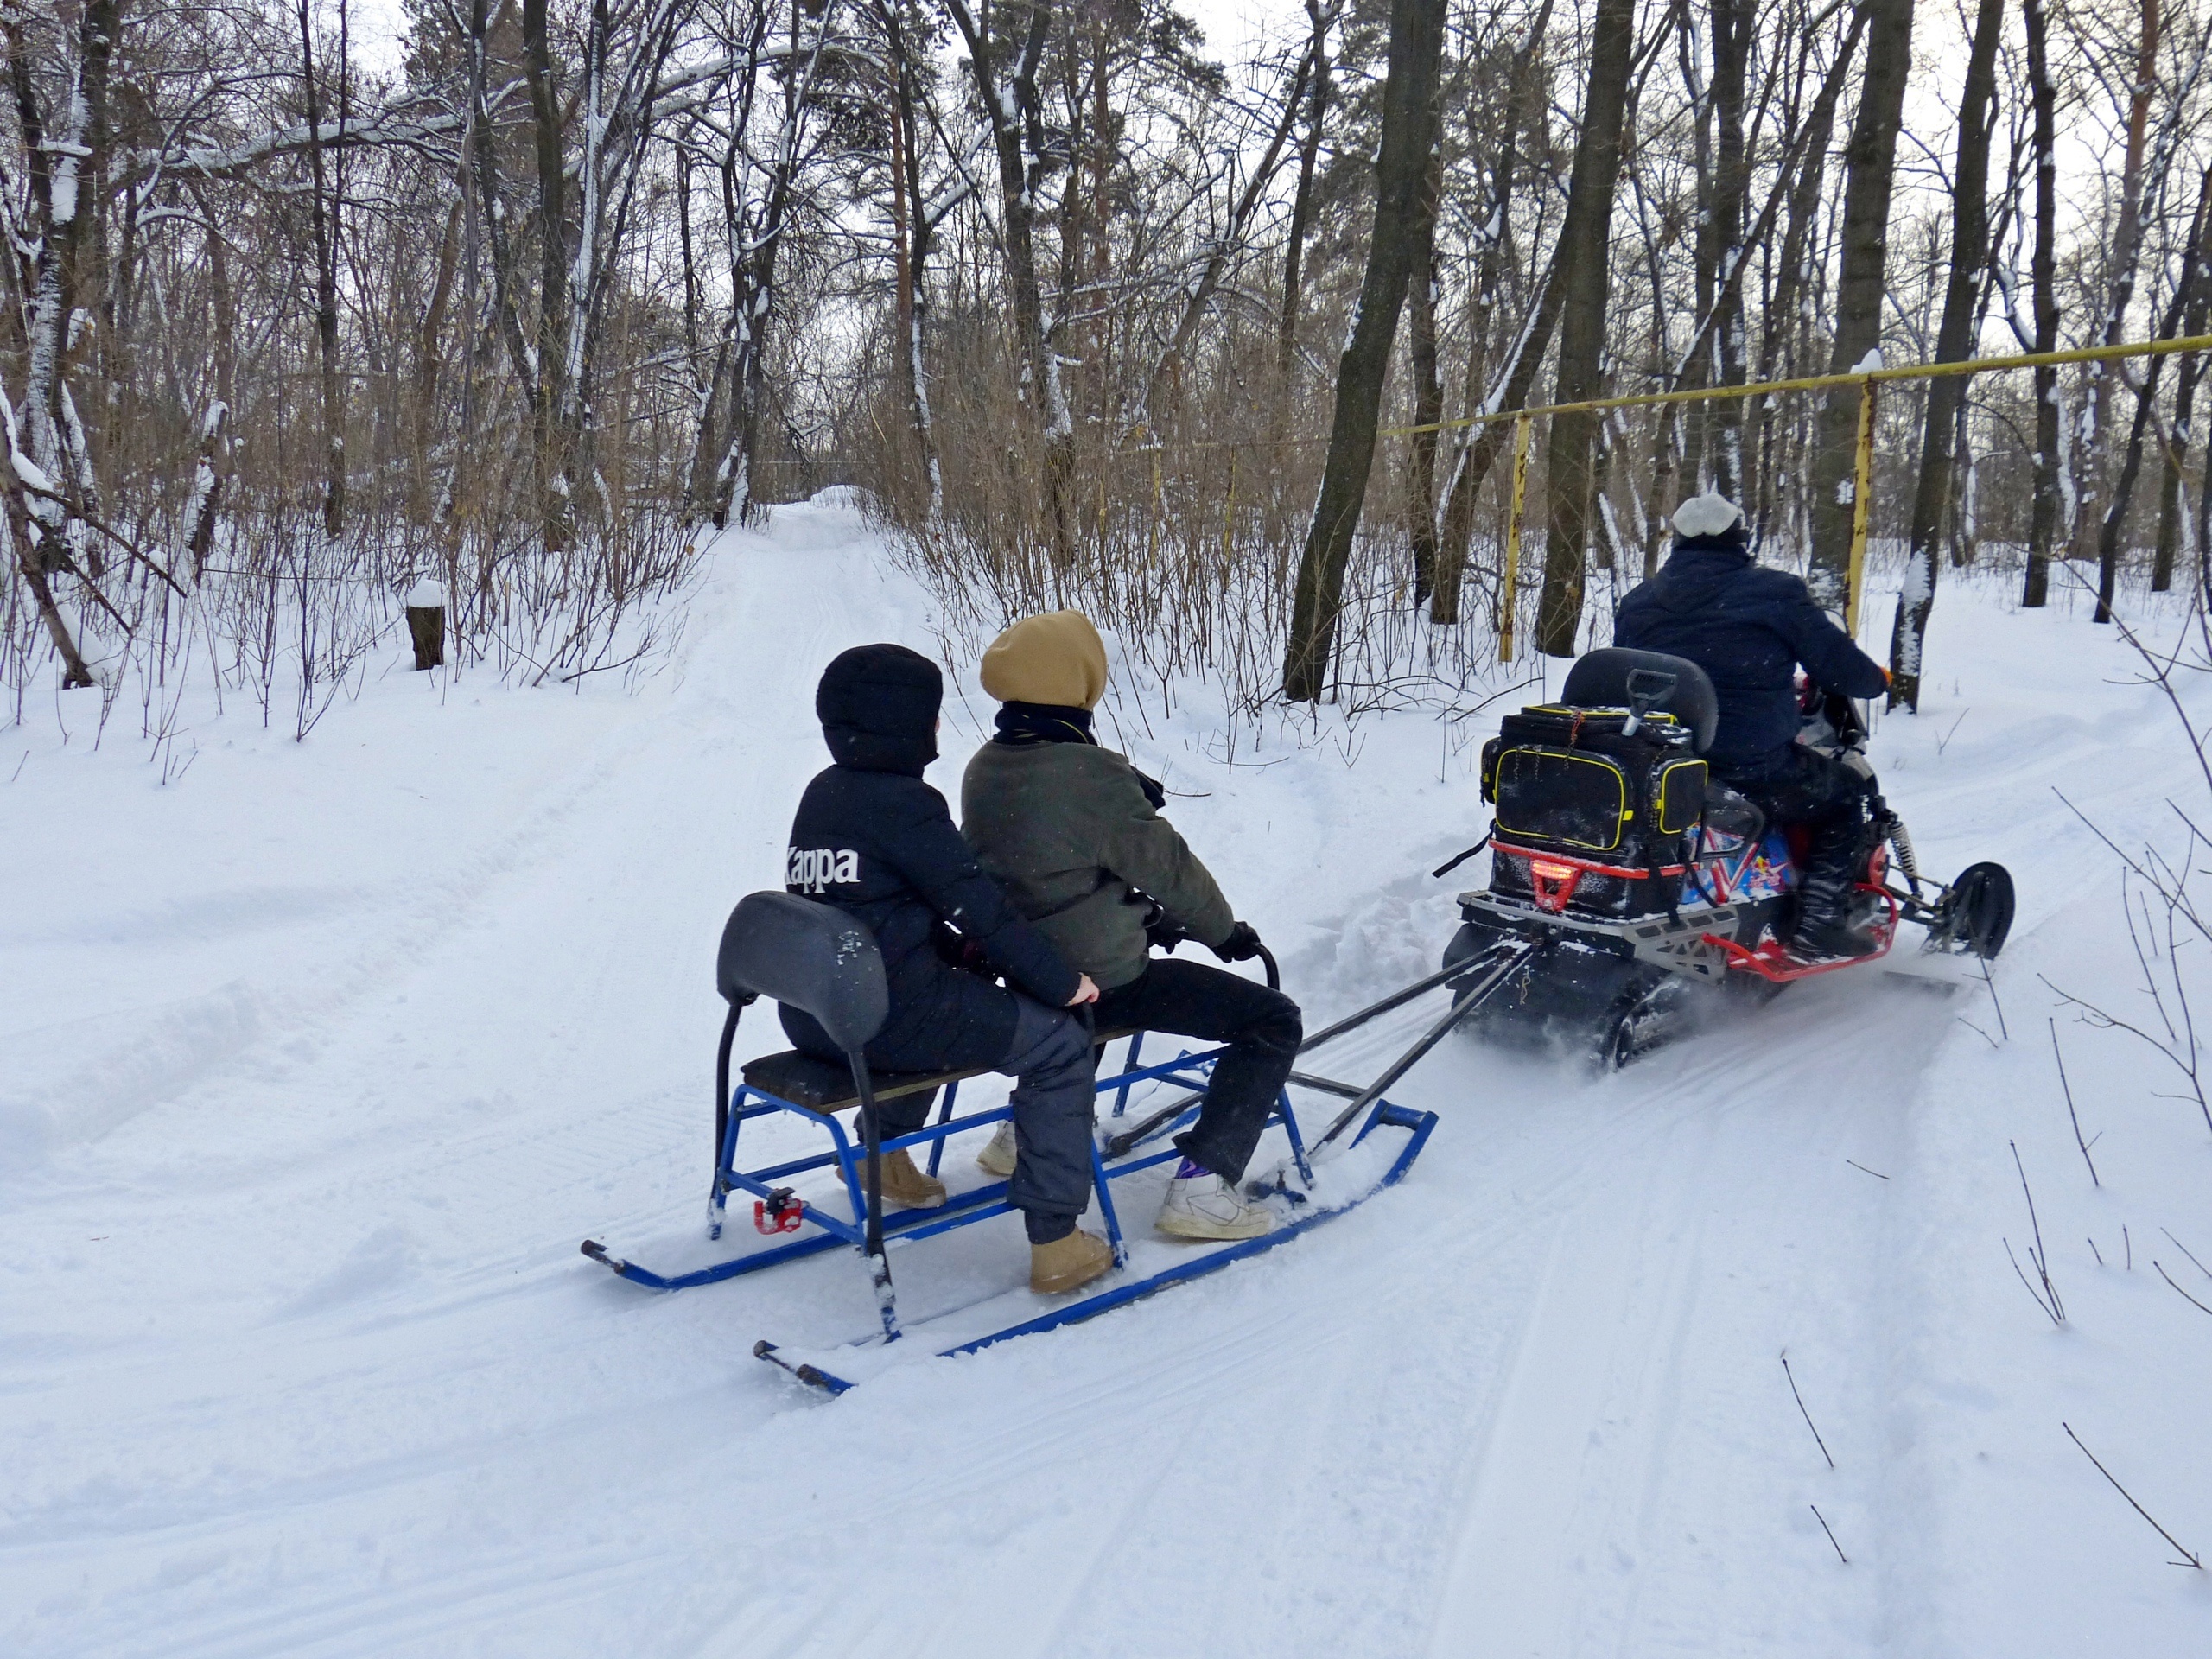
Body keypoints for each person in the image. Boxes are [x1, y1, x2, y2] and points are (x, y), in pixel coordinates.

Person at [780, 643, 1117, 1296]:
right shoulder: (907, 803)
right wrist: (1062, 984)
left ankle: (884, 1161)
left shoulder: (824, 794)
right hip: (887, 1018)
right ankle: (1057, 1243)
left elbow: (867, 903)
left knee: (943, 1002)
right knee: (1059, 1044)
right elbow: (981, 909)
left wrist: (954, 952)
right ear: (916, 727)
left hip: (815, 1013)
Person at [960, 611, 1303, 1242]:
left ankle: (1019, 1135)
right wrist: (1223, 933)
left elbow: (1049, 871)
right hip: (1101, 977)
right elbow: (1171, 870)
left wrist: (1142, 918)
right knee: (1273, 1020)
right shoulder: (1088, 773)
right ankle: (1203, 1184)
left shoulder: (985, 766)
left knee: (1082, 984)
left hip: (1026, 973)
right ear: (1081, 683)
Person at [1613, 493, 1891, 959]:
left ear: (1677, 541)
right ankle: (1819, 925)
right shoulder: (1775, 593)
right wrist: (1874, 678)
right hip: (1746, 765)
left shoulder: (1638, 601)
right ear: (1740, 539)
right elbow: (1847, 673)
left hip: (1666, 761)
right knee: (1845, 794)